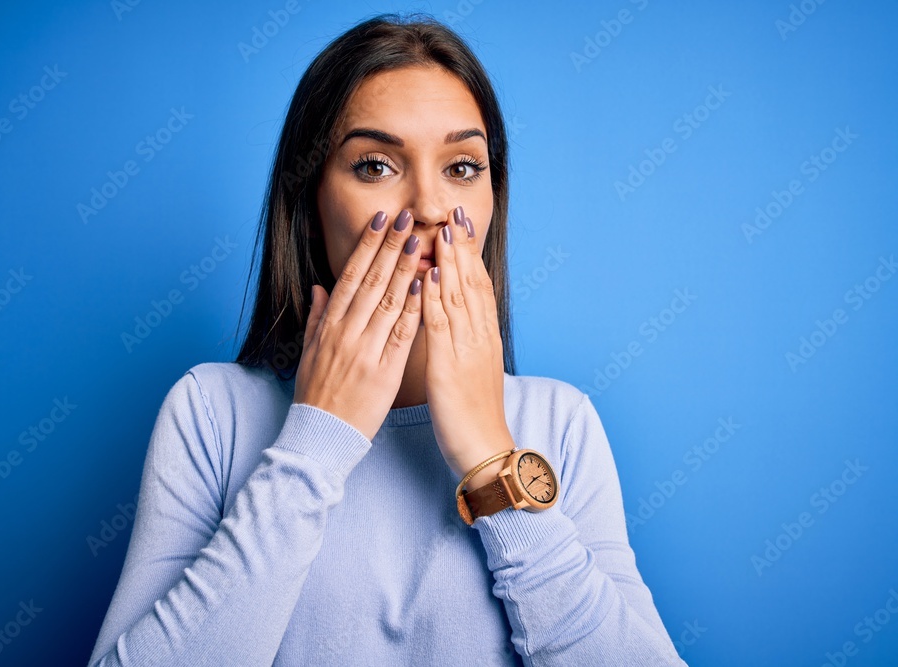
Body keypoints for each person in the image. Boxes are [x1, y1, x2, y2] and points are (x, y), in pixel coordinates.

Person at [88, 13, 687, 666]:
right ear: (311, 205)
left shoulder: (561, 423)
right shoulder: (212, 413)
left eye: (462, 166)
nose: (429, 206)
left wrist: (490, 460)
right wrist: (318, 437)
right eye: (375, 165)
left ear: (493, 197)